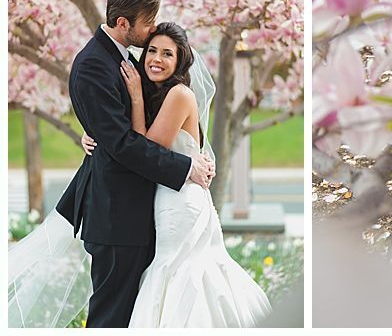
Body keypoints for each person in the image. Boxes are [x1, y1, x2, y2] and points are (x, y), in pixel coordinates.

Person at [15, 0, 215, 328]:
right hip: (117, 217)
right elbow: (122, 143)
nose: (152, 31)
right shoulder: (94, 64)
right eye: (148, 22)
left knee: (138, 313)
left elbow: (149, 119)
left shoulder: (126, 59)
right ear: (124, 24)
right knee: (111, 318)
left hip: (142, 211)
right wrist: (185, 167)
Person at [83, 22, 272, 327]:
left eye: (167, 54)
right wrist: (91, 133)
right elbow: (121, 130)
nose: (156, 59)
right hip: (170, 193)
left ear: (180, 60)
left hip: (180, 199)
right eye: (152, 51)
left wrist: (135, 97)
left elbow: (144, 146)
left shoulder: (179, 95)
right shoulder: (161, 92)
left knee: (183, 273)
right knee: (175, 271)